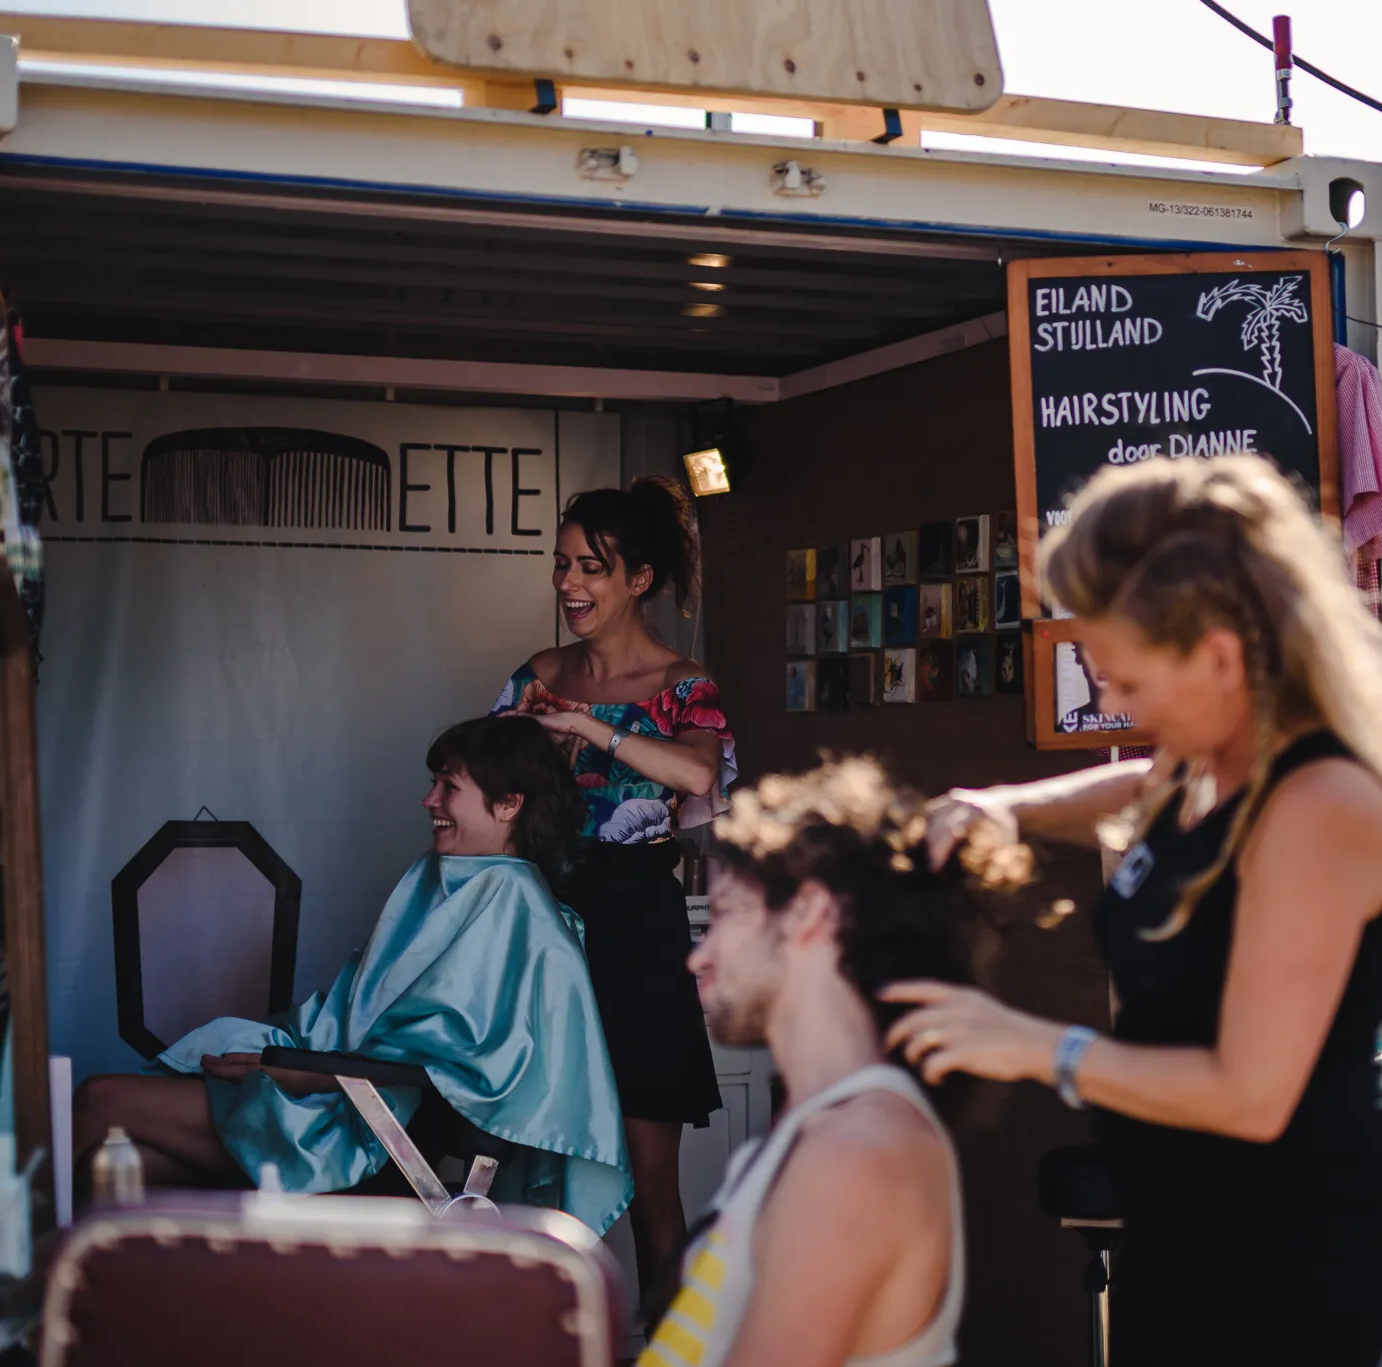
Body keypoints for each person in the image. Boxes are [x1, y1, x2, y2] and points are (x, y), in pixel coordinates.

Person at [885, 455, 1382, 1366]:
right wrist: (1007, 806)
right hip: (1189, 1215)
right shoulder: (1207, 763)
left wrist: (1034, 1047)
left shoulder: (1320, 807)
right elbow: (1136, 786)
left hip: (1296, 1244)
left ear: (1220, 655)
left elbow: (1252, 1096)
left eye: (1127, 683)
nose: (1109, 702)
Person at [73, 716, 633, 1234]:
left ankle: (16, 1296)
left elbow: (475, 1072)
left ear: (509, 804)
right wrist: (277, 1052)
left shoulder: (512, 901)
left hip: (368, 1136)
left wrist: (303, 1074)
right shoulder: (452, 880)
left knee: (99, 1102)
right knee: (119, 1166)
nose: (428, 800)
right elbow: (366, 1016)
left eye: (448, 787)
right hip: (336, 1096)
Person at [640, 756, 1020, 1367]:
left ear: (810, 911)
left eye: (728, 914)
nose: (699, 957)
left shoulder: (856, 1151)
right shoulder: (812, 1130)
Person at [492, 476, 733, 1291]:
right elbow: (478, 789)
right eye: (561, 565)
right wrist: (528, 761)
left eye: (591, 567)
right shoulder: (533, 674)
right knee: (521, 1162)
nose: (568, 584)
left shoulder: (685, 685)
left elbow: (697, 770)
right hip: (539, 925)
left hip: (637, 933)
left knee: (649, 1180)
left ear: (639, 580)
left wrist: (587, 727)